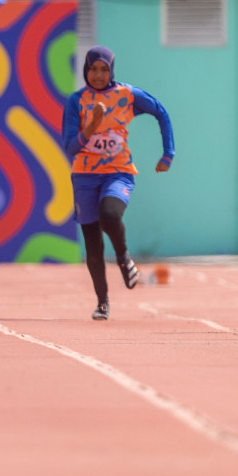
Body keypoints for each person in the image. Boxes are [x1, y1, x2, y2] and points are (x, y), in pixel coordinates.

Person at [61, 46, 174, 322]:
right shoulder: (76, 101)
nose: (98, 75)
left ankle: (124, 257)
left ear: (112, 70)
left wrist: (168, 153)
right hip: (85, 176)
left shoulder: (127, 95)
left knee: (110, 215)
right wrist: (92, 125)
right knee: (93, 243)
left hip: (118, 172)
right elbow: (70, 147)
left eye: (104, 69)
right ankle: (102, 302)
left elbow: (161, 112)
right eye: (93, 69)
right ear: (85, 70)